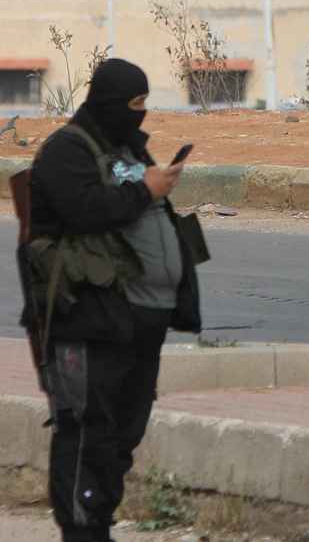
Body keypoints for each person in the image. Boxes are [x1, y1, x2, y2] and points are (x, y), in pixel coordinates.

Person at [21, 59, 200, 542]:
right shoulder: (66, 151)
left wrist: (152, 186)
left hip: (137, 320)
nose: (139, 114)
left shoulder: (127, 148)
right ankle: (82, 531)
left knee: (124, 433)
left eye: (145, 104)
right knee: (85, 431)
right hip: (84, 317)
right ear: (106, 101)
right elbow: (82, 211)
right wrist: (145, 190)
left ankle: (97, 522)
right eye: (133, 104)